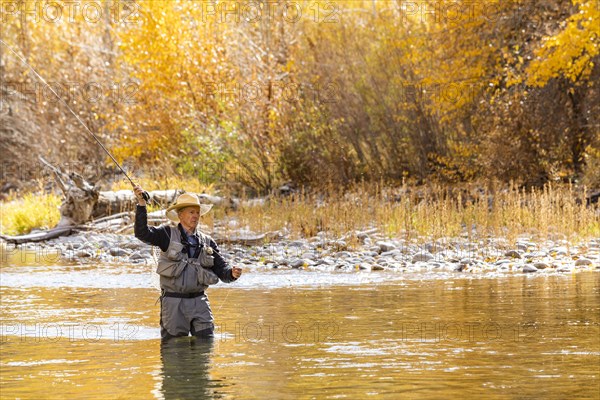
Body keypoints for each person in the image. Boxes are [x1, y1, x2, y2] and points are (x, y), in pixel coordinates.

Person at [133, 185, 242, 340]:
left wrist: (232, 273)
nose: (195, 216)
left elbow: (221, 269)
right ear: (180, 214)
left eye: (197, 212)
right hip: (173, 303)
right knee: (174, 352)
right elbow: (141, 233)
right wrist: (141, 204)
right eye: (191, 212)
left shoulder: (207, 242)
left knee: (206, 345)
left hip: (200, 302)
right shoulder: (166, 234)